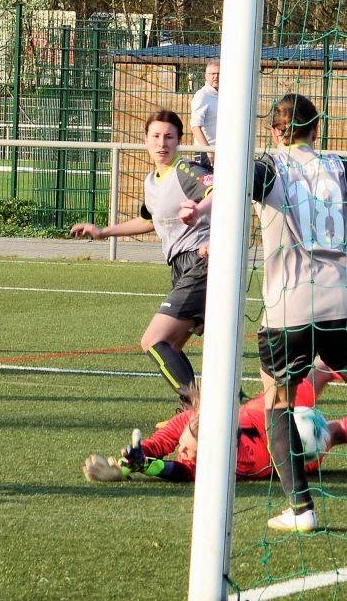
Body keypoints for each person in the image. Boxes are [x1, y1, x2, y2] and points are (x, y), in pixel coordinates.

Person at [180, 93, 347, 533]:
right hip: (343, 299)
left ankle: (302, 508)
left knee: (277, 400)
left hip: (291, 306)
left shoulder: (270, 166)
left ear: (275, 132)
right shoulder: (339, 167)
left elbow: (225, 177)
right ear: (317, 129)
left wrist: (200, 202)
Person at [71, 110, 212, 409]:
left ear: (179, 140)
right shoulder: (151, 181)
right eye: (156, 136)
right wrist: (103, 232)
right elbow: (149, 221)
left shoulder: (186, 170)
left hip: (202, 262)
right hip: (181, 266)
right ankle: (200, 411)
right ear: (146, 140)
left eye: (169, 136)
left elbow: (220, 191)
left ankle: (197, 408)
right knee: (172, 346)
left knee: (153, 340)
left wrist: (210, 231)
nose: (162, 143)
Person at [83, 366, 345, 483]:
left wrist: (141, 466)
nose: (181, 451)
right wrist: (130, 463)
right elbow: (161, 449)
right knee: (333, 431)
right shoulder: (195, 427)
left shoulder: (222, 458)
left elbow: (179, 470)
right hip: (275, 435)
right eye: (184, 446)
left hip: (269, 425)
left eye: (187, 450)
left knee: (319, 371)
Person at [190, 60, 219, 169]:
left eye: (219, 73)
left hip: (221, 151)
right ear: (206, 76)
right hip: (206, 152)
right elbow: (195, 126)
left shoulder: (223, 95)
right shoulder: (202, 95)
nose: (216, 77)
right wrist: (208, 150)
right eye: (212, 74)